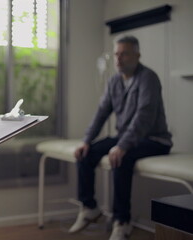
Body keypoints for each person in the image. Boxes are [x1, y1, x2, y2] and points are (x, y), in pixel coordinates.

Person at [69, 35, 172, 240]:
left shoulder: (148, 78)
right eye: (116, 54)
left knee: (120, 158)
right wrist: (86, 140)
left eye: (124, 54)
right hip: (127, 137)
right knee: (86, 154)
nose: (119, 59)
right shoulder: (114, 81)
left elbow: (143, 117)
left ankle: (122, 221)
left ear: (137, 55)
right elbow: (101, 113)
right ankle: (89, 207)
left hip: (154, 140)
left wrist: (122, 146)